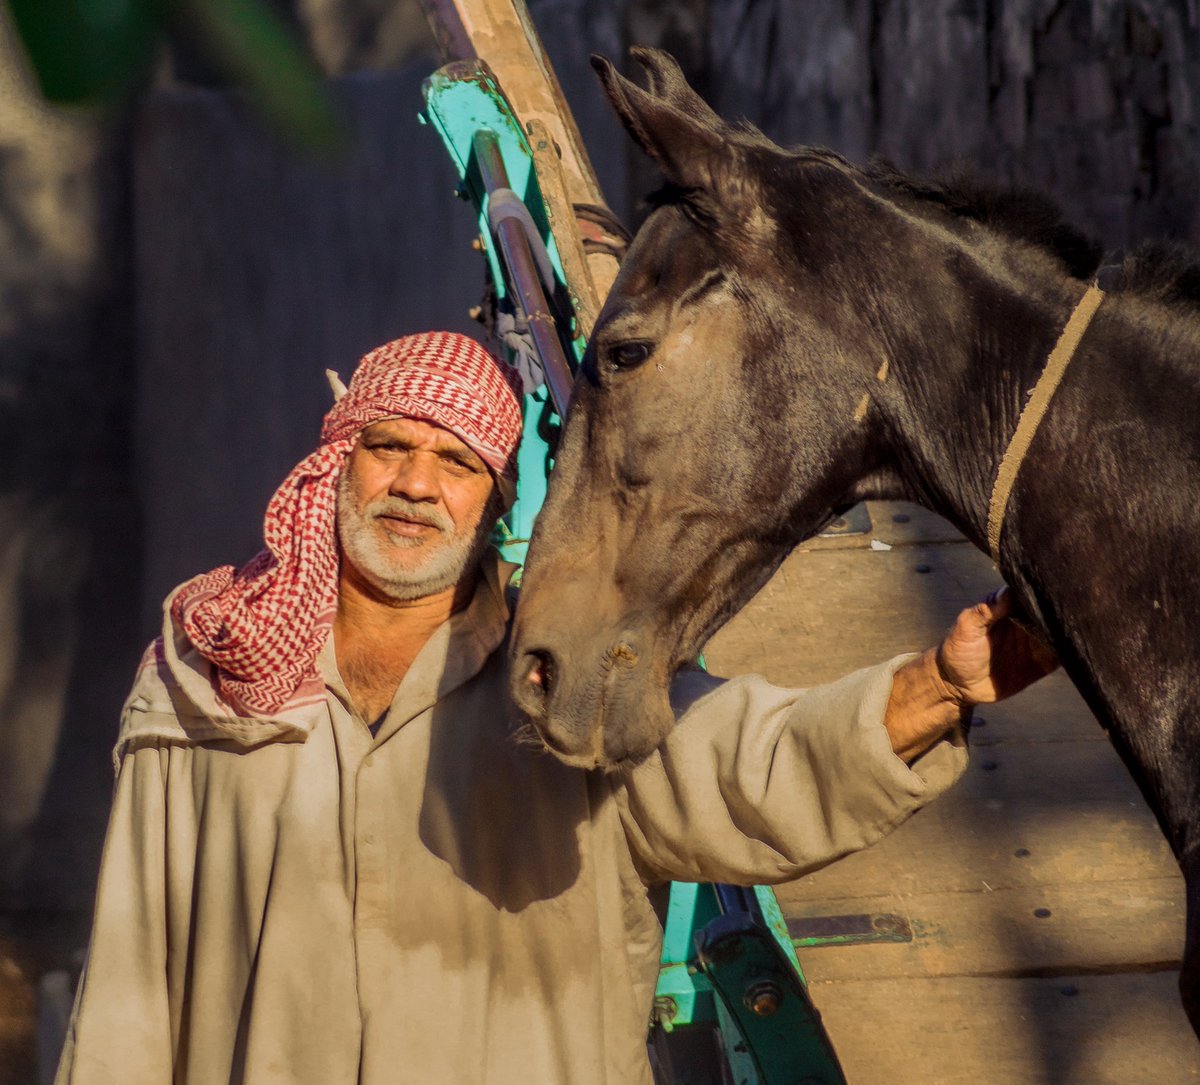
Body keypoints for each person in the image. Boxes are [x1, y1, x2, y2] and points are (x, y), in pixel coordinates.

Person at [56, 331, 1054, 1084]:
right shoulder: (206, 679)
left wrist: (941, 684)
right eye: (389, 448)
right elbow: (133, 978)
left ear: (494, 504)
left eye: (457, 464)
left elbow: (743, 764)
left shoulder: (562, 681)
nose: (414, 484)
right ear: (336, 468)